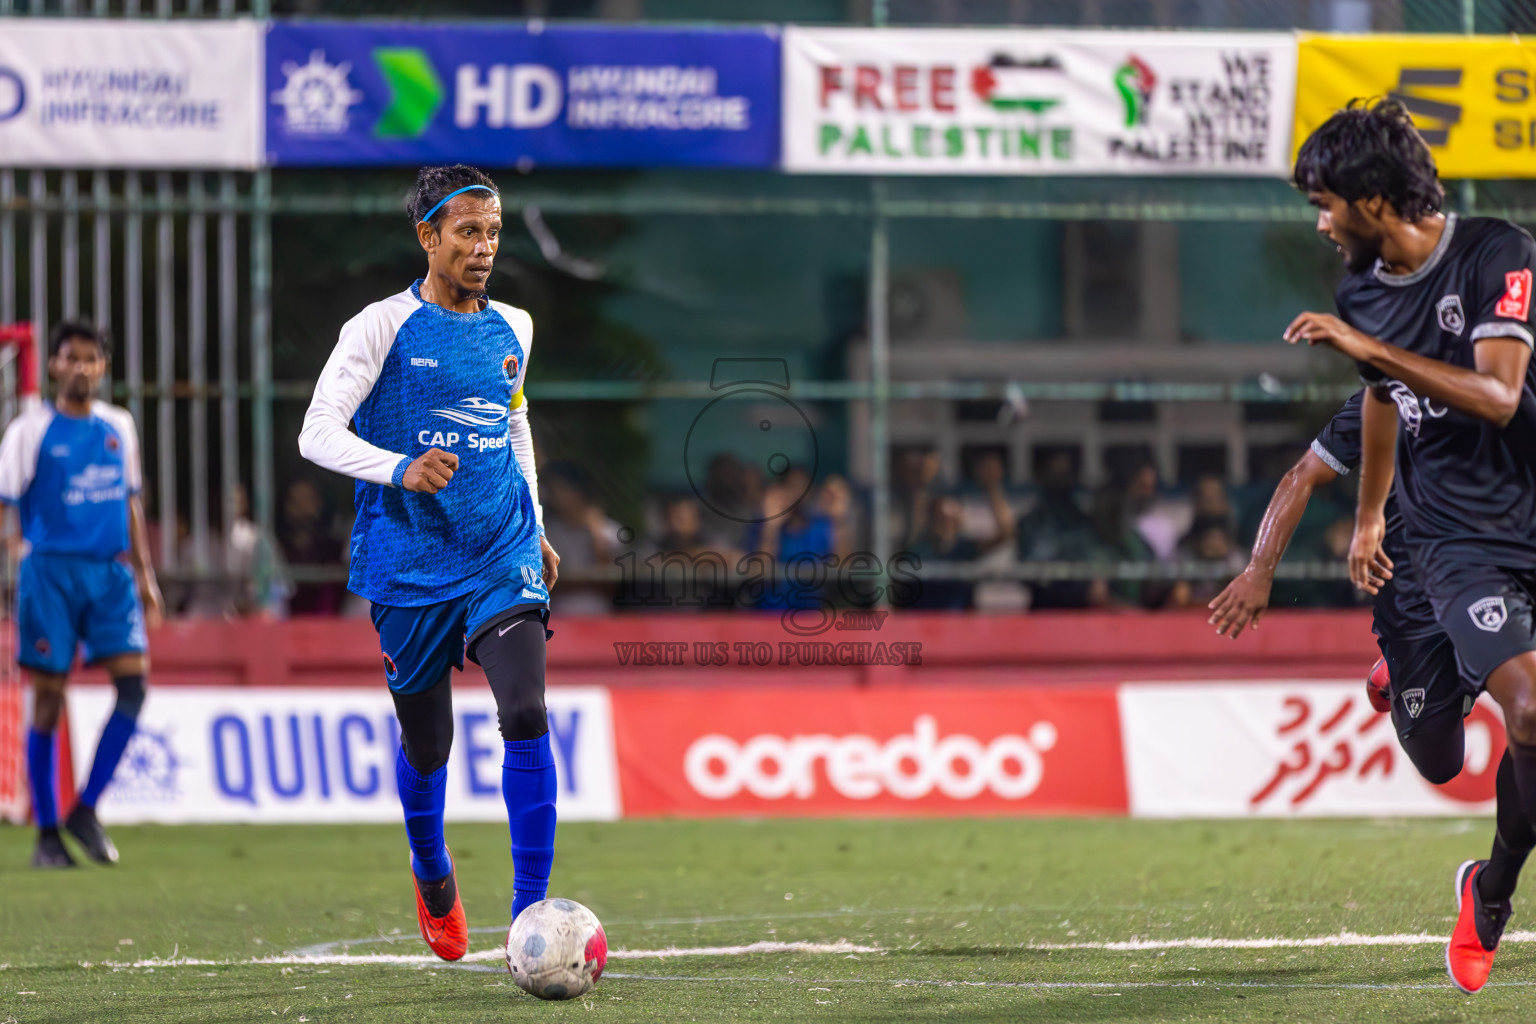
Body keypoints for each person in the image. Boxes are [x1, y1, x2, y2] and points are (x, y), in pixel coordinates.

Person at [1283, 98, 1536, 994]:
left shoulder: (1498, 250)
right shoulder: (1361, 293)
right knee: (1521, 719)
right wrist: (1368, 513)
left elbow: (1501, 397)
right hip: (1457, 538)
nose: (1319, 223)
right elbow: (1384, 400)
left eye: (1326, 204)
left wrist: (1367, 347)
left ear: (1373, 198)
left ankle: (1489, 887)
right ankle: (1499, 900)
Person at [298, 165, 561, 962]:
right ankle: (431, 865)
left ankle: (529, 922)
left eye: (493, 231)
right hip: (409, 563)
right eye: (467, 232)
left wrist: (538, 525)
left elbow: (513, 426)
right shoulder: (378, 327)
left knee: (524, 711)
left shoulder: (513, 326)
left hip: (499, 551)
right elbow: (316, 431)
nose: (484, 247)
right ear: (428, 238)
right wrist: (398, 466)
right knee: (428, 746)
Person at [0, 321, 163, 868]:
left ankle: (86, 808)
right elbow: (7, 505)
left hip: (109, 574)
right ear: (53, 365)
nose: (81, 368)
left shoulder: (119, 426)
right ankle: (47, 834)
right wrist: (15, 566)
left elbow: (131, 502)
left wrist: (146, 577)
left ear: (103, 368)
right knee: (47, 700)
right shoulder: (29, 430)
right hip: (49, 572)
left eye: (91, 359)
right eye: (71, 358)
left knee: (134, 685)